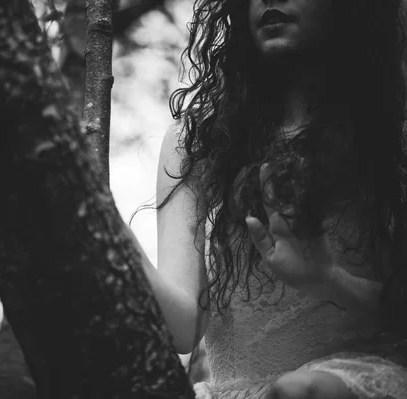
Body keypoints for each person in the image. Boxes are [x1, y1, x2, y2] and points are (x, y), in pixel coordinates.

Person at [135, 0, 407, 397]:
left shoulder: (393, 145)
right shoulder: (196, 145)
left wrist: (331, 281)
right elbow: (182, 328)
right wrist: (101, 221)